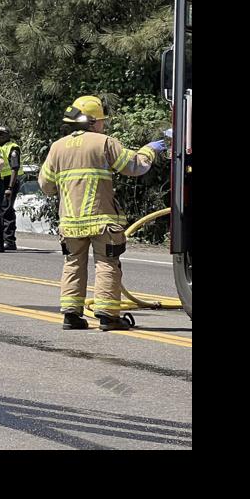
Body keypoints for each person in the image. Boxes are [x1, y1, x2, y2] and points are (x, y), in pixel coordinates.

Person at [39, 95, 163, 331]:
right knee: (107, 264)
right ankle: (107, 317)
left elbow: (46, 185)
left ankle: (71, 316)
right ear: (93, 121)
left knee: (73, 264)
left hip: (70, 223)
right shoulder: (103, 142)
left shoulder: (57, 147)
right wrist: (150, 151)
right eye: (101, 121)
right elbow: (134, 166)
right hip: (102, 221)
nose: (103, 125)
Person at [0, 127, 21, 251]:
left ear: (8, 135)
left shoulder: (13, 147)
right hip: (1, 181)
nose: (0, 137)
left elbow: (14, 168)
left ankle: (9, 241)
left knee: (6, 210)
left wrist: (10, 187)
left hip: (10, 181)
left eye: (2, 134)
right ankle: (2, 239)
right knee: (1, 210)